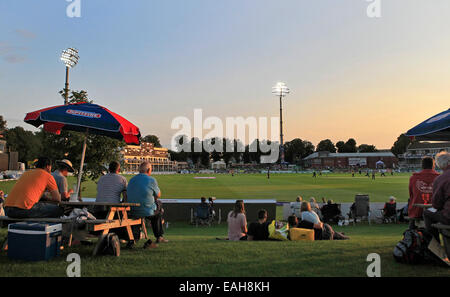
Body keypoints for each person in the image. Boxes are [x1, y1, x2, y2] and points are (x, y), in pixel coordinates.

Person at [127, 162, 161, 249]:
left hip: (132, 210)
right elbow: (158, 195)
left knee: (140, 215)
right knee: (158, 207)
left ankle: (135, 237)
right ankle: (159, 236)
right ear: (149, 170)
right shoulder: (151, 180)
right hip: (147, 211)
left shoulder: (131, 180)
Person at [424, 152, 450, 242]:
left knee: (427, 213)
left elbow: (436, 204)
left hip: (448, 216)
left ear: (439, 165)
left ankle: (435, 247)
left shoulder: (440, 179)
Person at [408, 156, 439, 228]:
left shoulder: (413, 178)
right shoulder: (439, 177)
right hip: (435, 212)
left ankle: (410, 235)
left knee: (412, 226)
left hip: (416, 212)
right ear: (433, 165)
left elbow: (411, 195)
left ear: (422, 166)